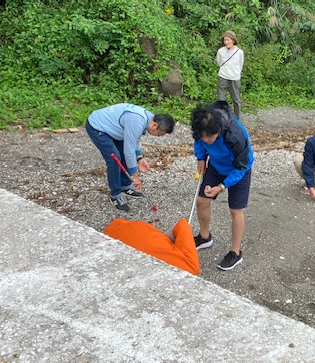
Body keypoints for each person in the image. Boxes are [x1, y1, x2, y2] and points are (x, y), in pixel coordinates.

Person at [191, 100, 254, 271]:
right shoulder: (201, 126)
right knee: (202, 200)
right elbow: (199, 142)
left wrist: (222, 186)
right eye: (203, 136)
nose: (206, 140)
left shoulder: (235, 135)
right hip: (217, 165)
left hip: (238, 168)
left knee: (235, 210)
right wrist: (201, 158)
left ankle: (235, 252)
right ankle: (205, 237)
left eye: (210, 138)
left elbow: (241, 166)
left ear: (218, 130)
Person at [86, 103, 175, 211]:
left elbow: (134, 138)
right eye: (160, 134)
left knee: (123, 154)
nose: (158, 136)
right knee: (115, 159)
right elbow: (129, 150)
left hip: (114, 129)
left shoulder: (149, 119)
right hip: (98, 127)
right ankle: (116, 194)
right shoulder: (137, 121)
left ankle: (125, 185)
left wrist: (140, 158)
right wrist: (135, 176)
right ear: (154, 125)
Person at [103, 218, 200, 275]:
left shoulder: (110, 233)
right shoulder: (188, 267)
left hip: (121, 230)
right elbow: (183, 223)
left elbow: (182, 224)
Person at [215, 31, 244, 120]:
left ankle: (237, 118)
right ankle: (222, 118)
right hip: (222, 76)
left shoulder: (239, 52)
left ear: (233, 40)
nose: (226, 42)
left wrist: (235, 73)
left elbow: (240, 64)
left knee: (236, 99)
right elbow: (219, 62)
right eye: (224, 40)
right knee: (221, 99)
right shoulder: (220, 51)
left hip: (234, 78)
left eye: (228, 40)